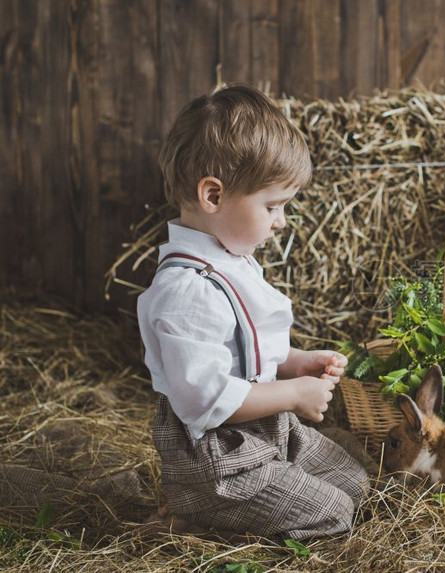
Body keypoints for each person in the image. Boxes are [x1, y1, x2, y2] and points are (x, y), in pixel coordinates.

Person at [137, 85, 368, 540]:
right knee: (333, 515)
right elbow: (205, 401)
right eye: (272, 206)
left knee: (357, 485)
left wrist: (293, 361)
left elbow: (243, 349)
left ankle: (233, 511)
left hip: (266, 431)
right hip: (219, 459)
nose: (281, 221)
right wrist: (295, 393)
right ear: (213, 196)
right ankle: (197, 522)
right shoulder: (186, 292)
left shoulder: (229, 259)